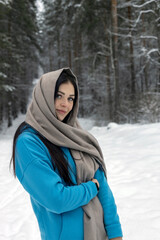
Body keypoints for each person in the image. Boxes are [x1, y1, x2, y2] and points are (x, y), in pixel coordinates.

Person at [10, 68, 123, 240]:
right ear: (44, 96)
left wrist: (115, 232)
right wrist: (91, 187)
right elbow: (56, 199)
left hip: (100, 234)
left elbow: (103, 186)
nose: (66, 104)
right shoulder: (29, 143)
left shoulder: (75, 135)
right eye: (59, 96)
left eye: (71, 98)